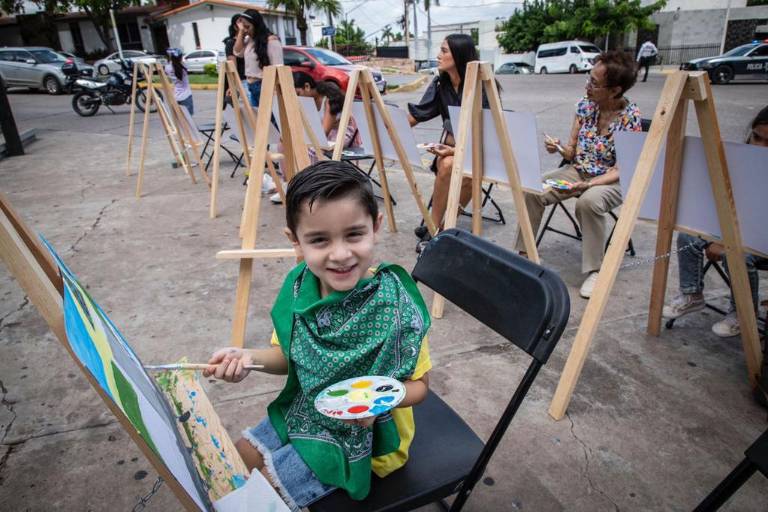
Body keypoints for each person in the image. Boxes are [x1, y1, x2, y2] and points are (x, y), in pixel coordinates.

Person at [203, 160, 432, 509]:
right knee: (230, 460)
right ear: (296, 241)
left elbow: (420, 387)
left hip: (369, 438)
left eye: (354, 234)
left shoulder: (396, 308)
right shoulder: (300, 292)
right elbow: (286, 357)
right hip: (308, 411)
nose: (340, 254)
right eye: (319, 240)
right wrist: (246, 358)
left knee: (255, 499)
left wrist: (378, 403)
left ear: (376, 226)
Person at [514, 51, 641, 299]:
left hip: (613, 179)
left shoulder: (630, 117)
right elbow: (572, 152)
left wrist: (588, 184)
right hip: (579, 170)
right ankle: (525, 253)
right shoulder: (584, 106)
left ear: (615, 90)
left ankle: (596, 270)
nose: (587, 85)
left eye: (594, 82)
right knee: (531, 188)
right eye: (589, 78)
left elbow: (623, 168)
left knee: (589, 201)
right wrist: (559, 147)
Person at [663, 105, 768, 338]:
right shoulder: (744, 158)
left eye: (767, 141)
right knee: (688, 234)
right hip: (738, 227)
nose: (760, 146)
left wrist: (728, 242)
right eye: (757, 137)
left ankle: (743, 312)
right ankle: (692, 294)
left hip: (760, 237)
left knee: (738, 254)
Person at [407, 34, 490, 252]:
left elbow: (487, 135)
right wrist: (389, 128)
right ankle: (435, 229)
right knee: (448, 164)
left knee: (451, 165)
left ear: (459, 54)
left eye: (444, 51)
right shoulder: (441, 83)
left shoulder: (481, 86)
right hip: (453, 151)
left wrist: (455, 150)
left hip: (480, 153)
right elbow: (419, 114)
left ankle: (437, 229)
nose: (438, 55)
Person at [293, 71, 363, 153]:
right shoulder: (307, 100)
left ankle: (313, 166)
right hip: (324, 136)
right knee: (287, 146)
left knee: (309, 150)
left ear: (307, 86)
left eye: (298, 93)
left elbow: (324, 132)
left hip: (341, 135)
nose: (297, 98)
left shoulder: (328, 100)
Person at [233, 9, 283, 107]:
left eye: (248, 27)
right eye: (244, 27)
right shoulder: (249, 40)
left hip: (264, 85)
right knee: (257, 119)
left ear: (256, 24)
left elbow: (279, 67)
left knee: (270, 120)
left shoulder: (271, 41)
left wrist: (274, 91)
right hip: (251, 86)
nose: (246, 30)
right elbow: (237, 52)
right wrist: (241, 32)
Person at [223, 14, 248, 105]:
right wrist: (232, 85)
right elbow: (232, 66)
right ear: (235, 27)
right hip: (242, 82)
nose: (244, 24)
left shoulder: (248, 41)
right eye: (241, 22)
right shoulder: (231, 43)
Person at [164, 48, 193, 115]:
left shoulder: (167, 68)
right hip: (186, 96)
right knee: (189, 119)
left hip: (176, 96)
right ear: (180, 57)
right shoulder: (183, 66)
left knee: (180, 119)